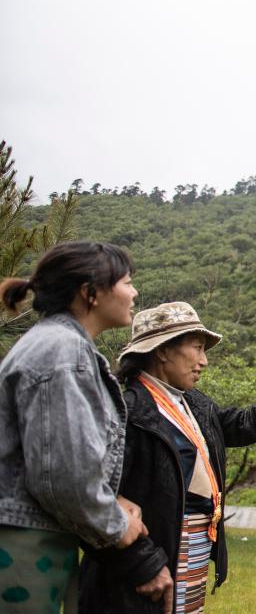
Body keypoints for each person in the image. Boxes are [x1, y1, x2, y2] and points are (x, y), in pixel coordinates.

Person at [77, 301, 256, 613]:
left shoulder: (195, 405)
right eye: (197, 348)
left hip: (189, 562)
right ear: (163, 351)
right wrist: (142, 563)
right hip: (142, 572)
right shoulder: (125, 412)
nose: (204, 361)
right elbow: (91, 503)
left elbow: (247, 424)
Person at [0, 241, 148, 613]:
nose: (134, 292)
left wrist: (108, 499)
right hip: (21, 546)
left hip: (35, 538)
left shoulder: (61, 346)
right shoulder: (62, 353)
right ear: (91, 293)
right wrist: (116, 523)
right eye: (127, 282)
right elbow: (63, 476)